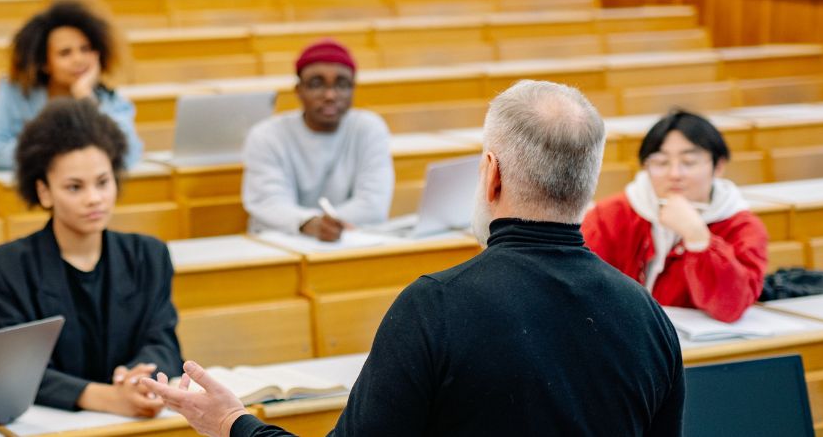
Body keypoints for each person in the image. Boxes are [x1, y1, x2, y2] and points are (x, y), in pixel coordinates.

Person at [146, 80, 685, 436]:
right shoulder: (646, 315)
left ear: (491, 172)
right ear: (587, 182)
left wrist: (232, 421)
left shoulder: (437, 306)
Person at [0, 98, 181, 417]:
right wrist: (108, 398)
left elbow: (164, 343)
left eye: (103, 182)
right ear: (44, 192)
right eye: (74, 187)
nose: (94, 199)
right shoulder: (6, 267)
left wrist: (139, 377)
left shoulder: (149, 255)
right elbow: (18, 370)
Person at [582, 109, 768, 323]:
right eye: (661, 163)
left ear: (718, 166)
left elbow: (730, 307)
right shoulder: (612, 215)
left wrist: (699, 239)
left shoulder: (742, 226)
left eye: (689, 162)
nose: (675, 174)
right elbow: (584, 285)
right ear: (645, 166)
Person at [241, 39, 393, 241]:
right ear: (299, 90)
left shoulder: (368, 128)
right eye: (316, 84)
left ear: (353, 89)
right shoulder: (266, 135)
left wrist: (327, 226)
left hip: (350, 242)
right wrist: (309, 224)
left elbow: (373, 204)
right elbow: (268, 203)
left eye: (342, 84)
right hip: (281, 243)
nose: (330, 95)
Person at [0, 0, 142, 171]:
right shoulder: (16, 93)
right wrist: (64, 155)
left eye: (85, 49)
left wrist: (86, 97)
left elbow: (128, 154)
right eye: (65, 53)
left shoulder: (107, 99)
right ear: (44, 63)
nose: (78, 59)